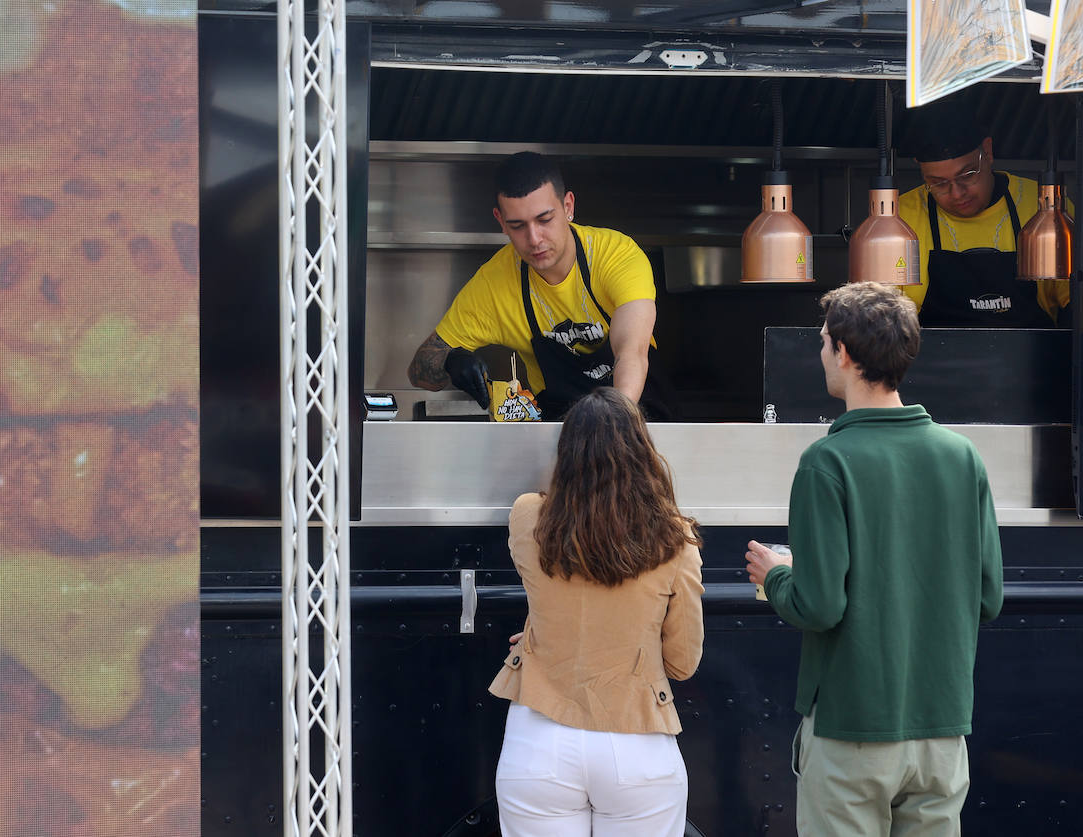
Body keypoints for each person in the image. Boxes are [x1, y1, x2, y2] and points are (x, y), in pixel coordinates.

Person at [744, 282, 1004, 836]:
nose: (820, 355)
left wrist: (778, 575)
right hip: (942, 733)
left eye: (821, 343)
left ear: (843, 351)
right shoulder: (963, 459)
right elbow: (988, 598)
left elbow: (818, 606)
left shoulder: (826, 462)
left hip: (850, 731)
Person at [490, 387, 704, 836]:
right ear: (643, 453)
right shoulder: (675, 540)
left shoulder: (528, 517)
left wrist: (541, 635)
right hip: (637, 743)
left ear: (566, 453)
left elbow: (555, 592)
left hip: (538, 742)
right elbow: (682, 663)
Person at [407, 151, 677, 420]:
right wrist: (449, 362)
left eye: (544, 220)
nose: (534, 239)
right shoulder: (493, 285)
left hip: (641, 424)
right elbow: (419, 370)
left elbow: (631, 352)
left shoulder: (616, 255)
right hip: (559, 437)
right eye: (517, 226)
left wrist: (614, 425)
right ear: (501, 221)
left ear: (568, 207)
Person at [898, 94, 1070, 327]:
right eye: (938, 183)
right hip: (932, 360)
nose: (957, 193)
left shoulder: (1045, 209)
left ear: (987, 152)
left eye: (967, 175)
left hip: (1029, 360)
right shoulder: (898, 221)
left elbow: (1080, 306)